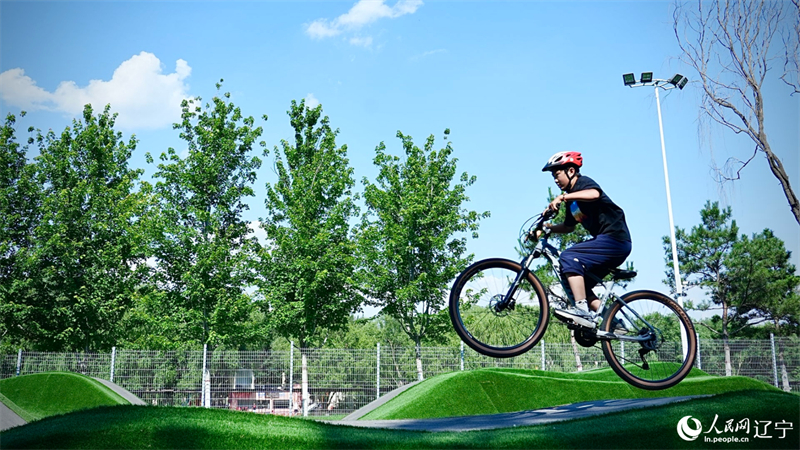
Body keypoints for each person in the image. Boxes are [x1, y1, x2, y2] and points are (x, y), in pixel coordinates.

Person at [538, 151, 632, 329]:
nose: (555, 180)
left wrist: (563, 196)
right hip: (609, 244)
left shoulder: (583, 183)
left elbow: (595, 194)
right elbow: (568, 227)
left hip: (615, 239)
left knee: (568, 256)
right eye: (553, 177)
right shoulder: (573, 203)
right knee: (583, 289)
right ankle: (616, 324)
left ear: (571, 171)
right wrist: (546, 228)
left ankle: (582, 312)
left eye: (557, 174)